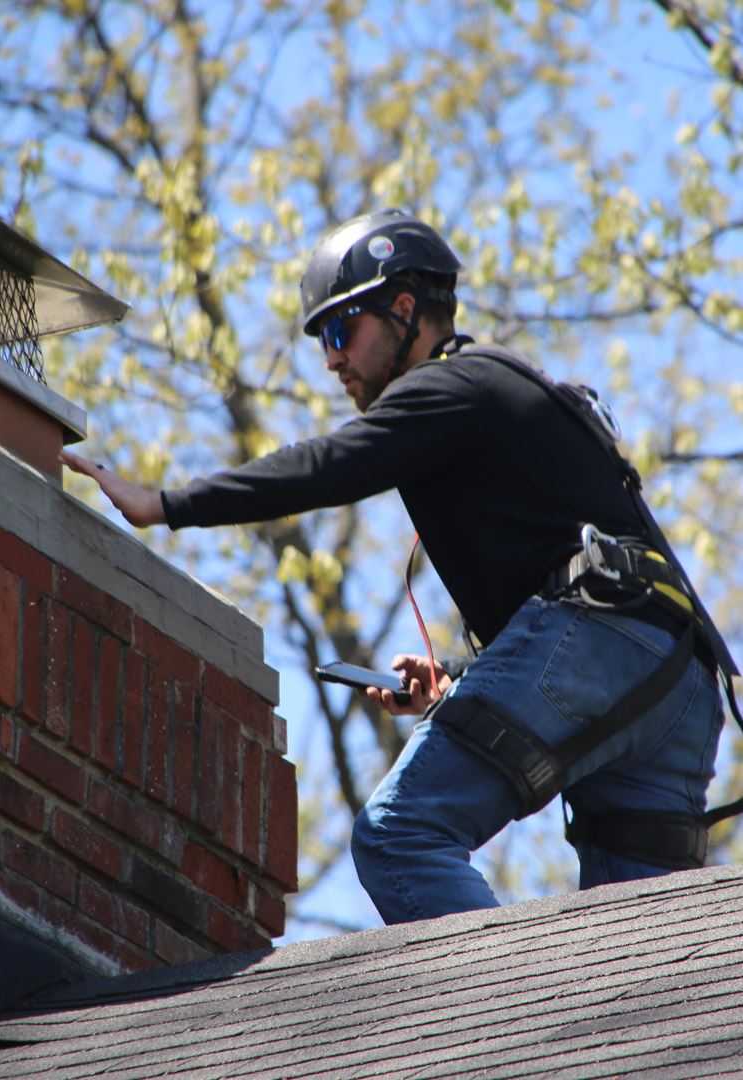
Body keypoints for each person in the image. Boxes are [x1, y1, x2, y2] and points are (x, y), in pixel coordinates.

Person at [61, 208, 736, 924]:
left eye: (339, 330)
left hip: (604, 646)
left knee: (399, 835)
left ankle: (508, 1028)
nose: (331, 359)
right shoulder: (509, 395)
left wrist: (164, 502)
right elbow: (558, 573)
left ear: (404, 310)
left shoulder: (452, 383)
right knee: (643, 947)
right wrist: (462, 685)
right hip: (680, 683)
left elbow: (329, 465)